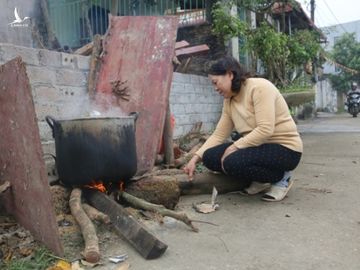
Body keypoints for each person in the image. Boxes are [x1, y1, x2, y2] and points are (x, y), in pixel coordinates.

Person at [183, 56, 303, 202]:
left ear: (230, 74)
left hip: (285, 149)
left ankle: (281, 178)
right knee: (209, 157)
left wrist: (234, 147)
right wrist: (195, 158)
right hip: (257, 148)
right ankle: (260, 180)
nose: (215, 88)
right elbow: (219, 135)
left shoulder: (259, 88)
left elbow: (265, 129)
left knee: (232, 161)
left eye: (216, 82)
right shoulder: (229, 100)